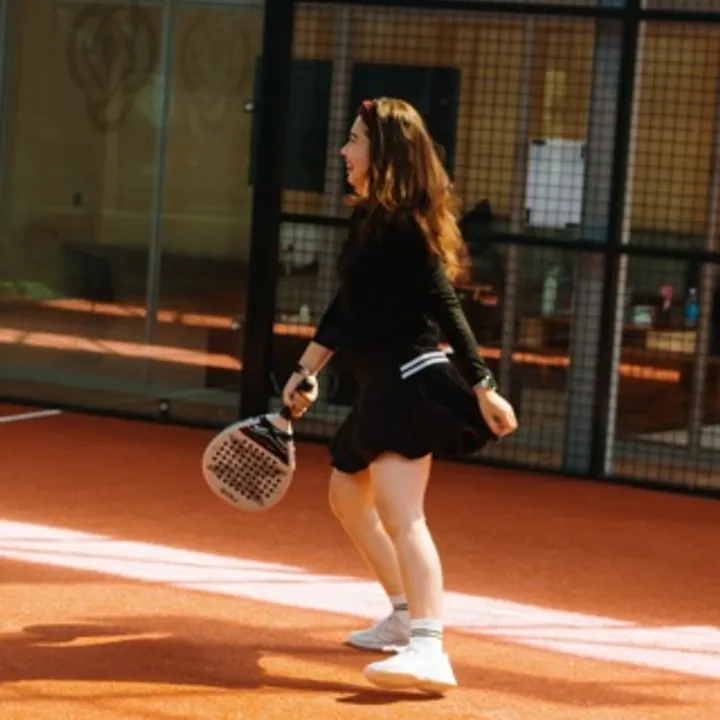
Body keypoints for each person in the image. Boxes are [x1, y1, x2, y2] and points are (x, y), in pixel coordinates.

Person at [281, 97, 518, 693]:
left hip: (411, 381)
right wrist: (306, 368)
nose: (344, 151)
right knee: (346, 495)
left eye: (355, 140)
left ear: (382, 153)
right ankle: (405, 615)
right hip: (381, 385)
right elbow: (346, 308)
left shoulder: (403, 227)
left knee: (402, 515)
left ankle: (430, 648)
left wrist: (484, 385)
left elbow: (446, 305)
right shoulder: (370, 221)